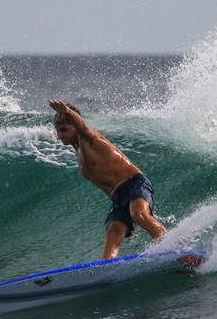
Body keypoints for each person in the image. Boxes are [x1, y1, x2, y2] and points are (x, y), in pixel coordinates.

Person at [49, 100, 168, 259]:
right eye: (57, 131)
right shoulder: (78, 150)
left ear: (75, 127)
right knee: (113, 230)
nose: (59, 135)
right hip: (118, 198)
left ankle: (175, 248)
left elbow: (83, 127)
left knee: (138, 215)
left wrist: (68, 112)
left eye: (64, 130)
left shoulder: (90, 139)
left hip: (134, 183)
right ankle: (107, 269)